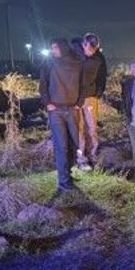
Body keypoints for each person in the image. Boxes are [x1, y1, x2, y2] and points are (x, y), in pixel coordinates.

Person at [39, 38, 83, 192]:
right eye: (51, 48)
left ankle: (68, 174)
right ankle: (63, 181)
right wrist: (47, 103)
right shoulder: (49, 63)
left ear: (63, 48)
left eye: (55, 47)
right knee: (61, 146)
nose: (52, 51)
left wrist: (79, 102)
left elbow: (83, 84)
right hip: (56, 111)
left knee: (73, 144)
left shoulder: (77, 63)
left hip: (72, 109)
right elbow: (43, 84)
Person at [75, 32, 107, 170]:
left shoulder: (99, 57)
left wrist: (97, 94)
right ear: (83, 44)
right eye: (89, 49)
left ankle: (93, 155)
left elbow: (102, 76)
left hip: (90, 98)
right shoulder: (74, 55)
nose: (92, 52)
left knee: (92, 128)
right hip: (75, 98)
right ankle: (81, 159)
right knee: (79, 129)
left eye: (94, 49)